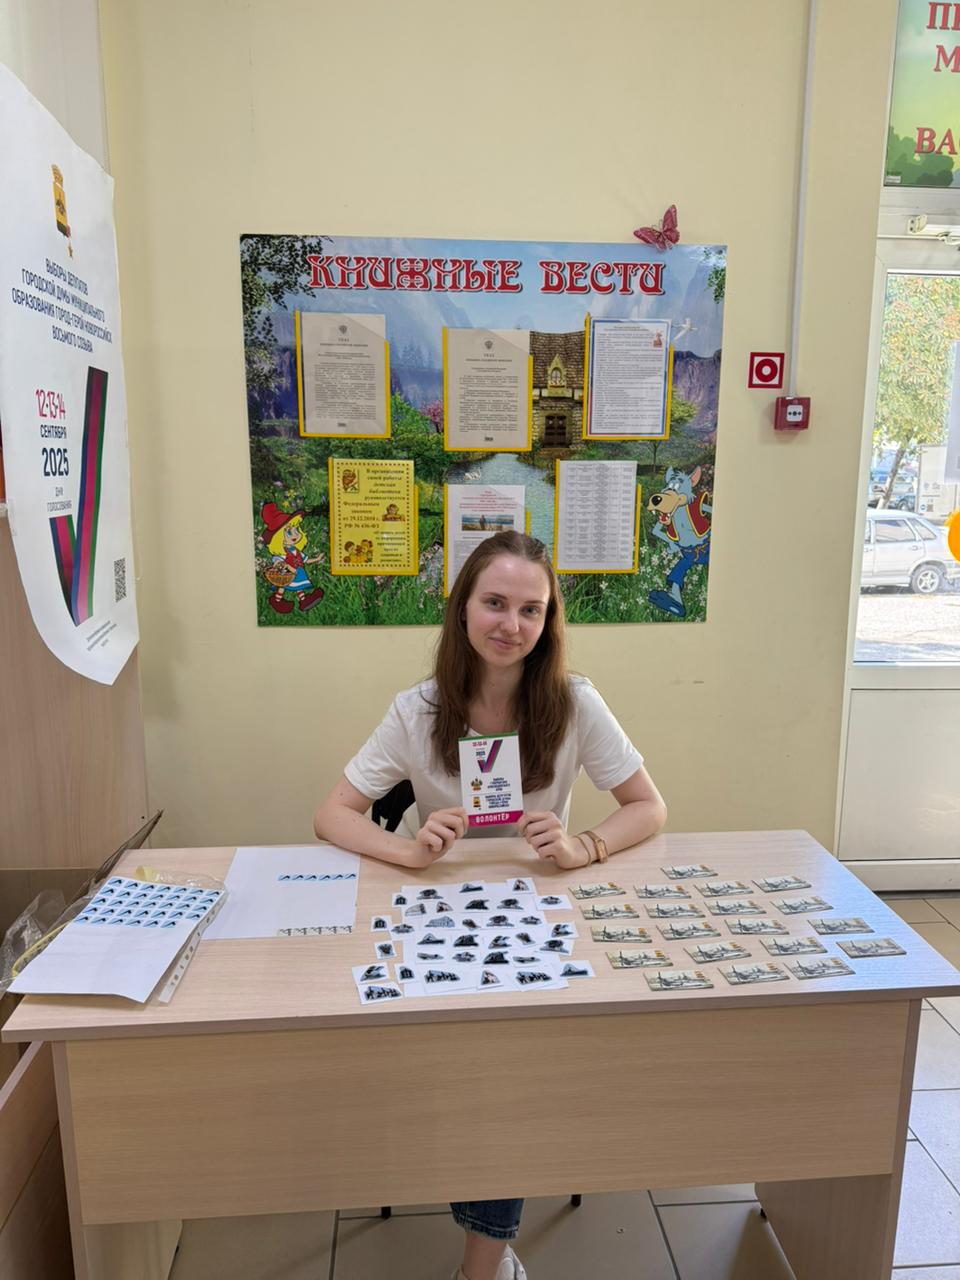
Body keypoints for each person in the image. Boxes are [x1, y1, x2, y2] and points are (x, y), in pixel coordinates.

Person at [313, 531, 666, 1280]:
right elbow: (332, 815)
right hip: (439, 916)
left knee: (506, 1070)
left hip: (538, 911)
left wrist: (584, 847)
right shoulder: (418, 710)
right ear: (463, 609)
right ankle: (472, 1189)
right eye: (495, 603)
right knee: (479, 1072)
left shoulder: (574, 701)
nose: (511, 624)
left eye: (531, 610)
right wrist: (410, 851)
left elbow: (647, 806)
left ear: (549, 621)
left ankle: (482, 1266)